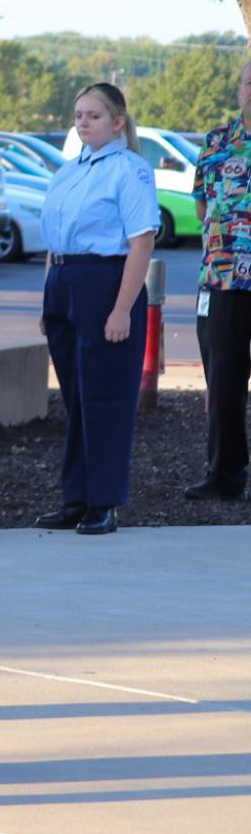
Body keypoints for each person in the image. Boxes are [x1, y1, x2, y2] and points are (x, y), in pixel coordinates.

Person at [33, 83, 157, 535]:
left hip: (106, 284)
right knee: (77, 400)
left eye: (94, 116)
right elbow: (55, 240)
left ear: (118, 122)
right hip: (66, 284)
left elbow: (141, 241)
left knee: (105, 398)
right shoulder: (68, 172)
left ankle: (104, 502)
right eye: (79, 115)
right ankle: (77, 497)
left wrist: (123, 308)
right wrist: (49, 298)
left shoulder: (131, 171)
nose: (83, 123)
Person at [187, 59, 251, 504]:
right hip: (223, 280)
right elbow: (200, 207)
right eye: (250, 82)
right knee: (224, 381)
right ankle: (225, 475)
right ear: (239, 89)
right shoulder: (215, 143)